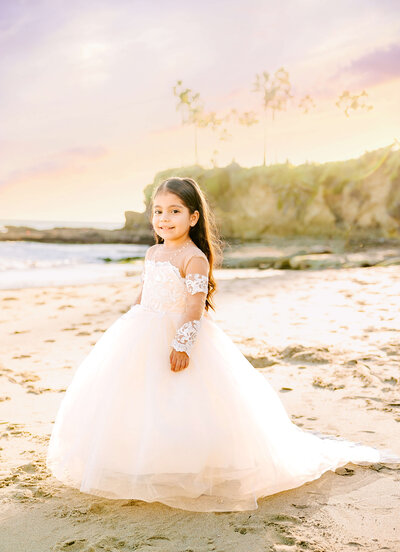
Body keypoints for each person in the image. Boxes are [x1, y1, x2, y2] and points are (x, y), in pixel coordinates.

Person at [46, 176, 399, 512]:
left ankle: (186, 466)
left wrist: (181, 344)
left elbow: (193, 307)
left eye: (174, 211)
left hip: (179, 334)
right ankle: (135, 461)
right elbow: (144, 293)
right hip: (141, 330)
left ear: (193, 216)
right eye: (158, 211)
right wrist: (127, 325)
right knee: (134, 399)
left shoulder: (193, 257)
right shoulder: (153, 254)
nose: (164, 218)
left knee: (183, 400)